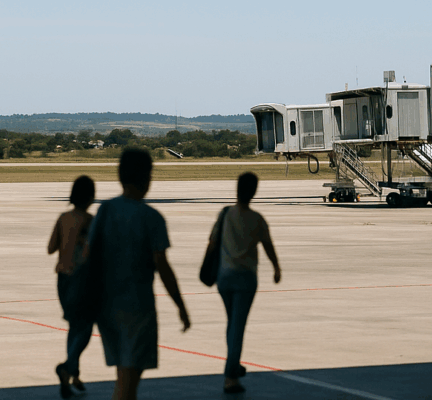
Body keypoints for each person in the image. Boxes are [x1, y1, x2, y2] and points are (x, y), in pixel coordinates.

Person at [93, 149, 190, 400]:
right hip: (137, 308)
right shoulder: (151, 217)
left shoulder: (105, 210)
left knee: (123, 375)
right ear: (147, 177)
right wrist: (180, 304)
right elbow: (163, 266)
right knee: (129, 379)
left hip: (106, 307)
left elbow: (89, 256)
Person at [205, 172, 281, 394]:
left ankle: (235, 364)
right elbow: (267, 245)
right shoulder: (256, 219)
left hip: (224, 277)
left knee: (232, 323)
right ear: (254, 191)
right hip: (245, 278)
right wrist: (276, 267)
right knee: (238, 326)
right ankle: (231, 376)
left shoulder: (225, 213)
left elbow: (211, 244)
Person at [49, 176, 96, 399]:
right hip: (81, 278)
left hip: (62, 279)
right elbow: (92, 253)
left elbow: (51, 248)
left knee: (74, 326)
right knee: (85, 328)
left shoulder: (63, 218)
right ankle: (67, 367)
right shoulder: (89, 220)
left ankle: (72, 376)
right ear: (91, 197)